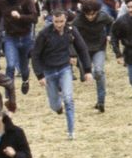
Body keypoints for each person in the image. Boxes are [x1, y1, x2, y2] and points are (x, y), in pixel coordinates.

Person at [31, 10, 92, 140]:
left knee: (68, 99)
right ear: (52, 20)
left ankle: (71, 131)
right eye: (56, 21)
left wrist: (87, 70)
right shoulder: (44, 34)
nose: (59, 24)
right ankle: (58, 107)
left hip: (65, 69)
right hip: (49, 71)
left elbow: (82, 48)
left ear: (66, 20)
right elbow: (35, 55)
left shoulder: (71, 31)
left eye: (61, 21)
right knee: (54, 105)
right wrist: (39, 75)